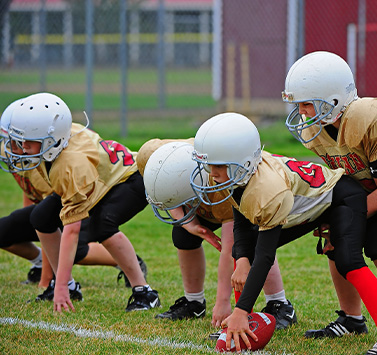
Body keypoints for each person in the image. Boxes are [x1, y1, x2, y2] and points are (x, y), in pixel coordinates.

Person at [190, 112, 377, 353]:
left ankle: (240, 315)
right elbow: (242, 224)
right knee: (244, 252)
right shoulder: (241, 174)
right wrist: (243, 260)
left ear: (242, 163)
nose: (211, 172)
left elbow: (266, 256)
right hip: (311, 203)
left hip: (340, 197)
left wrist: (241, 309)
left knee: (347, 259)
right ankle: (236, 325)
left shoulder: (268, 189)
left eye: (217, 165)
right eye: (208, 164)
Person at [5, 92, 159, 313]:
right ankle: (68, 284)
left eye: (27, 141)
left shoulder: (69, 164)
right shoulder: (56, 143)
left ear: (50, 139)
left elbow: (72, 230)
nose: (20, 147)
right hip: (96, 181)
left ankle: (144, 291)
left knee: (102, 225)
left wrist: (58, 288)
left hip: (128, 179)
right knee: (41, 217)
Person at [137, 138, 297, 335]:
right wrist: (189, 225)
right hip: (201, 194)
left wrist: (222, 302)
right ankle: (194, 301)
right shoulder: (154, 155)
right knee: (182, 235)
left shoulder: (221, 177)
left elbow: (232, 246)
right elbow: (168, 195)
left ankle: (279, 303)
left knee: (252, 242)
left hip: (256, 195)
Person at [282, 51, 377, 354]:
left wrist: (353, 215)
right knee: (336, 240)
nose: (302, 112)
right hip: (366, 191)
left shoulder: (367, 117)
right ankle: (352, 319)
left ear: (335, 99)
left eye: (307, 103)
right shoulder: (316, 129)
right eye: (298, 104)